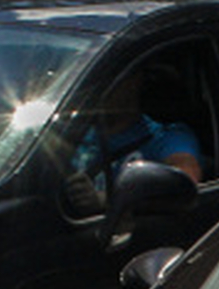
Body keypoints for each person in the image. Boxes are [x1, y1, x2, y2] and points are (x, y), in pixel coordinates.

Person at [62, 65, 203, 212]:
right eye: (96, 81)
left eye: (111, 78)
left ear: (134, 81)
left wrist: (105, 200)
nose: (100, 88)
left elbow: (185, 185)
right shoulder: (70, 134)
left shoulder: (167, 138)